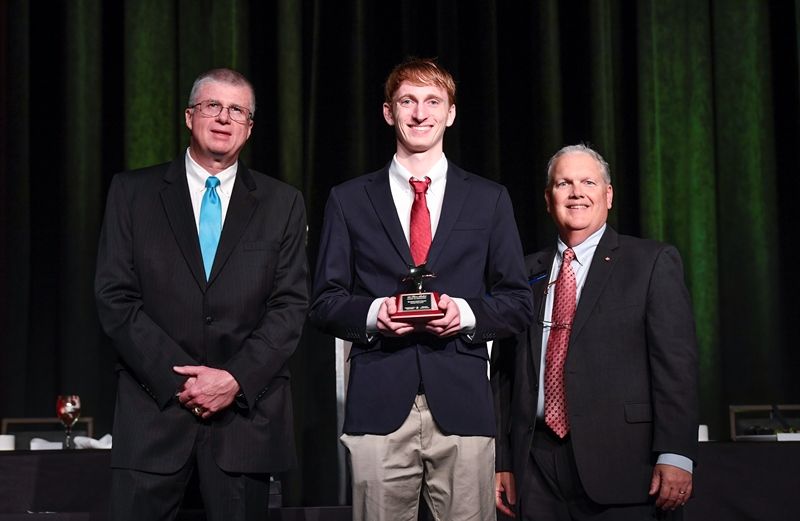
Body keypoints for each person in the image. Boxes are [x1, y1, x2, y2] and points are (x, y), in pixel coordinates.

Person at [309, 57, 533, 521]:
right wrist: (375, 314)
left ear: (451, 113)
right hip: (378, 402)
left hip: (462, 402)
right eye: (407, 101)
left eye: (433, 101)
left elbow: (517, 303)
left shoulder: (488, 198)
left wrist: (464, 314)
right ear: (388, 112)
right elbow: (325, 302)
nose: (419, 113)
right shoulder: (349, 199)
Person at [94, 68, 308, 521]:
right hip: (153, 417)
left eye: (237, 110)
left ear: (249, 127)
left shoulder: (283, 202)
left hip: (244, 421)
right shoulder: (132, 193)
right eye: (213, 106)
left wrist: (233, 379)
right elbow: (115, 297)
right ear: (190, 116)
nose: (224, 118)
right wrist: (183, 381)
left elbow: (289, 306)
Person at [493, 143, 699, 521]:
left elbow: (676, 367)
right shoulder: (522, 273)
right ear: (548, 199)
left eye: (588, 182)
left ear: (609, 195)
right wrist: (501, 460)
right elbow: (504, 374)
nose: (576, 193)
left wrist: (676, 453)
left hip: (626, 466)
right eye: (564, 184)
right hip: (535, 469)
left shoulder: (651, 262)